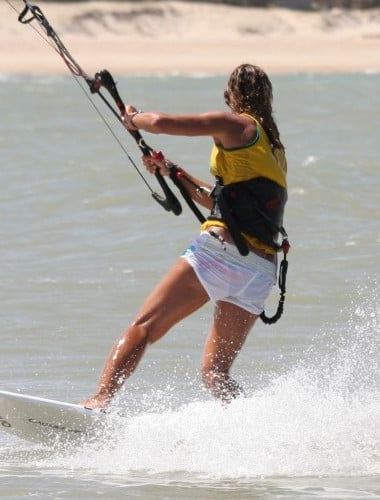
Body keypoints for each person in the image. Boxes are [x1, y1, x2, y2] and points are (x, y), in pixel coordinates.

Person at [81, 63, 288, 410]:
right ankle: (254, 425)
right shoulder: (273, 150)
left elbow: (161, 124)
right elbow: (222, 201)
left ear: (230, 96)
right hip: (259, 272)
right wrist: (172, 171)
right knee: (216, 374)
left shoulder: (235, 123)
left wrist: (134, 119)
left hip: (220, 254)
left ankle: (100, 400)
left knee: (144, 327)